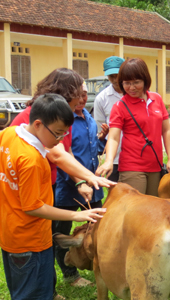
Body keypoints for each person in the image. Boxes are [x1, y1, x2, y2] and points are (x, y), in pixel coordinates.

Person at [0, 94, 107, 300]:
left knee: (21, 291)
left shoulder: (10, 134)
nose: (60, 140)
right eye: (58, 134)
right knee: (35, 294)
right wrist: (76, 216)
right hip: (31, 241)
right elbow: (32, 207)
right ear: (38, 124)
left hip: (11, 234)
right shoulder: (31, 159)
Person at [11, 68, 114, 197]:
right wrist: (90, 176)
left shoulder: (62, 116)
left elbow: (67, 152)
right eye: (73, 105)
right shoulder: (37, 115)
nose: (74, 109)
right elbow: (56, 154)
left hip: (46, 182)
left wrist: (81, 182)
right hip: (24, 185)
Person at [53, 83, 107, 287]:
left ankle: (99, 264)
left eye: (85, 95)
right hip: (69, 187)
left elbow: (93, 148)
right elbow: (62, 156)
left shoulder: (89, 117)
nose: (82, 99)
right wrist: (79, 182)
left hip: (92, 187)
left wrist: (102, 139)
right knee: (62, 232)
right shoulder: (63, 119)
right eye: (78, 95)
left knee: (100, 227)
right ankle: (70, 274)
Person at [97, 58, 170, 196]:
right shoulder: (120, 106)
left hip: (156, 166)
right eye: (127, 83)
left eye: (136, 82)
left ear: (145, 80)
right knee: (136, 210)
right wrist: (109, 161)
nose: (131, 88)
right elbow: (114, 137)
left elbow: (166, 130)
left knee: (154, 210)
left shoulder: (156, 99)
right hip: (132, 167)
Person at [94, 56, 125, 182]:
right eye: (111, 76)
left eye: (118, 75)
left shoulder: (136, 94)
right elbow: (99, 128)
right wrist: (103, 134)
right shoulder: (102, 98)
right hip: (115, 158)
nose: (115, 79)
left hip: (137, 158)